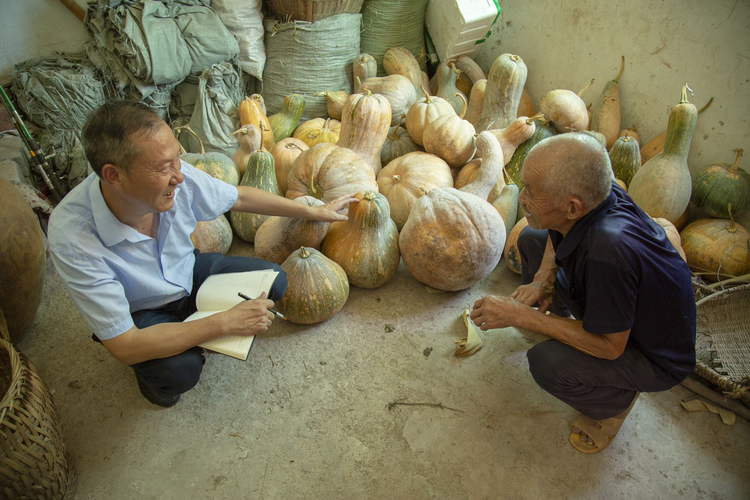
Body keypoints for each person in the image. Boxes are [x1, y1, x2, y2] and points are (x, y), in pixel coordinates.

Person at [48, 100, 356, 407]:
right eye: (163, 168)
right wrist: (223, 323)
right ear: (114, 176)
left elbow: (241, 198)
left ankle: (190, 324)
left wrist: (314, 211)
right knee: (180, 372)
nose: (179, 177)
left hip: (187, 271)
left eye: (176, 160)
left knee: (273, 280)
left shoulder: (176, 178)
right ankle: (155, 374)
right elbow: (124, 344)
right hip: (141, 310)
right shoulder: (73, 238)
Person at [470, 133, 696, 453]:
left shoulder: (608, 250)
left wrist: (522, 316)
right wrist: (542, 281)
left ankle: (614, 402)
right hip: (620, 304)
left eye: (532, 193)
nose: (522, 198)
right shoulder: (603, 191)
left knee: (547, 364)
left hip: (652, 355)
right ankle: (563, 322)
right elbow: (555, 229)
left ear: (574, 207)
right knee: (532, 240)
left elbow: (610, 346)